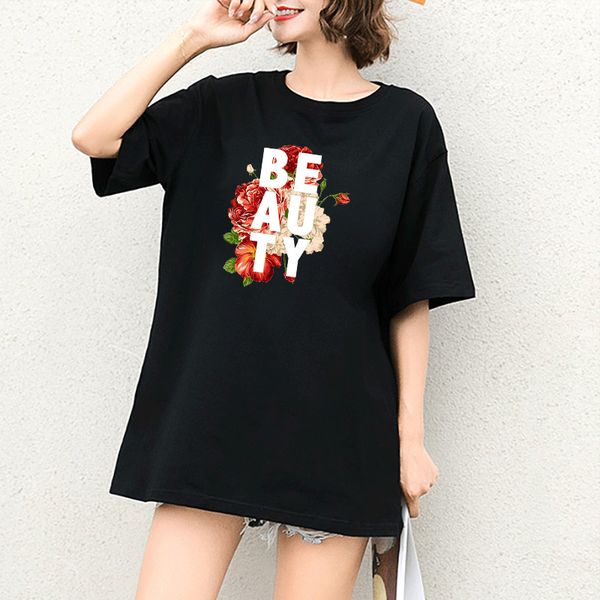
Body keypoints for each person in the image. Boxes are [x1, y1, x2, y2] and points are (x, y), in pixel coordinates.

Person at [71, 1, 476, 598]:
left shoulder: (406, 123)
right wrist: (194, 37)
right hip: (211, 420)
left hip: (337, 434)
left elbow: (410, 293)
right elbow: (95, 137)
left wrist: (409, 440)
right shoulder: (222, 106)